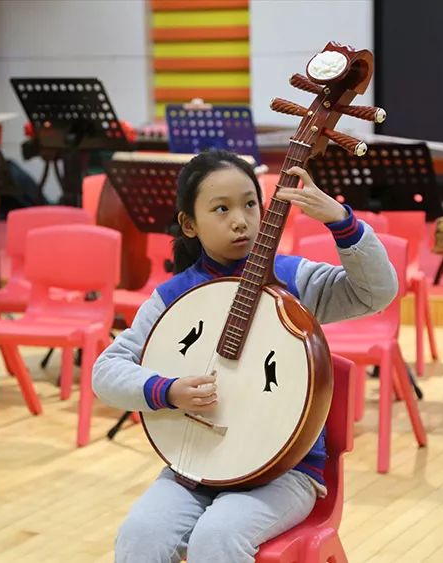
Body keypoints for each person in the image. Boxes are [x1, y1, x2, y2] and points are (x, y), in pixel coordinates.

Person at [93, 149, 398, 562]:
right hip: (196, 466)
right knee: (139, 535)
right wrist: (167, 390)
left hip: (285, 473)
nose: (240, 219)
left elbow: (375, 292)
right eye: (221, 209)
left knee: (217, 537)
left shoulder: (294, 279)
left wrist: (341, 223)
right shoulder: (171, 297)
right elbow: (106, 370)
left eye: (250, 204)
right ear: (189, 224)